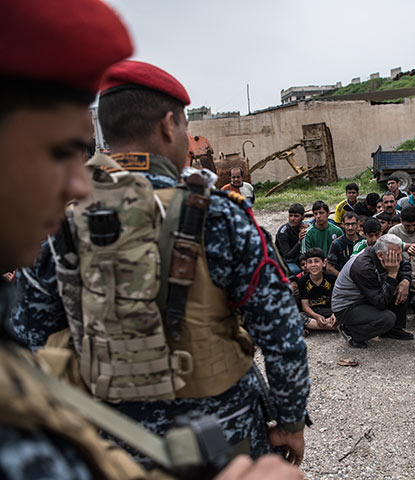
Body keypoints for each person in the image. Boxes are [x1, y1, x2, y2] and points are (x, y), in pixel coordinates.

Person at [0, 1, 301, 479]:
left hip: (105, 438)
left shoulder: (52, 215)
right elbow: (281, 332)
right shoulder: (222, 215)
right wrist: (288, 419)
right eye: (185, 126)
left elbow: (33, 329)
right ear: (169, 125)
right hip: (221, 435)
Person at [332, 234, 413, 348]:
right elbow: (380, 303)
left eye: (400, 254)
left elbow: (404, 264)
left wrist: (405, 281)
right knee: (387, 318)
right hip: (348, 306)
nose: (400, 258)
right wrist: (392, 274)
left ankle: (394, 329)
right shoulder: (363, 267)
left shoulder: (388, 253)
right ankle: (351, 332)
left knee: (401, 286)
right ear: (380, 255)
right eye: (397, 255)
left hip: (368, 295)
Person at [297, 249, 338, 333]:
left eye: (316, 261)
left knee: (345, 314)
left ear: (324, 263)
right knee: (298, 316)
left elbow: (337, 300)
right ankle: (334, 327)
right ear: (307, 265)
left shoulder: (331, 278)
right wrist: (316, 316)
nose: (313, 265)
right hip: (313, 312)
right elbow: (305, 306)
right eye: (310, 262)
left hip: (329, 310)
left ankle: (314, 327)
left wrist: (335, 314)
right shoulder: (302, 281)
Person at [276, 203, 307, 275]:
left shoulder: (305, 227)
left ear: (303, 217)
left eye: (296, 216)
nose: (292, 219)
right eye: (290, 216)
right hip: (285, 260)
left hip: (300, 257)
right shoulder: (283, 232)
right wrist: (299, 242)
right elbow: (287, 256)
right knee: (295, 270)